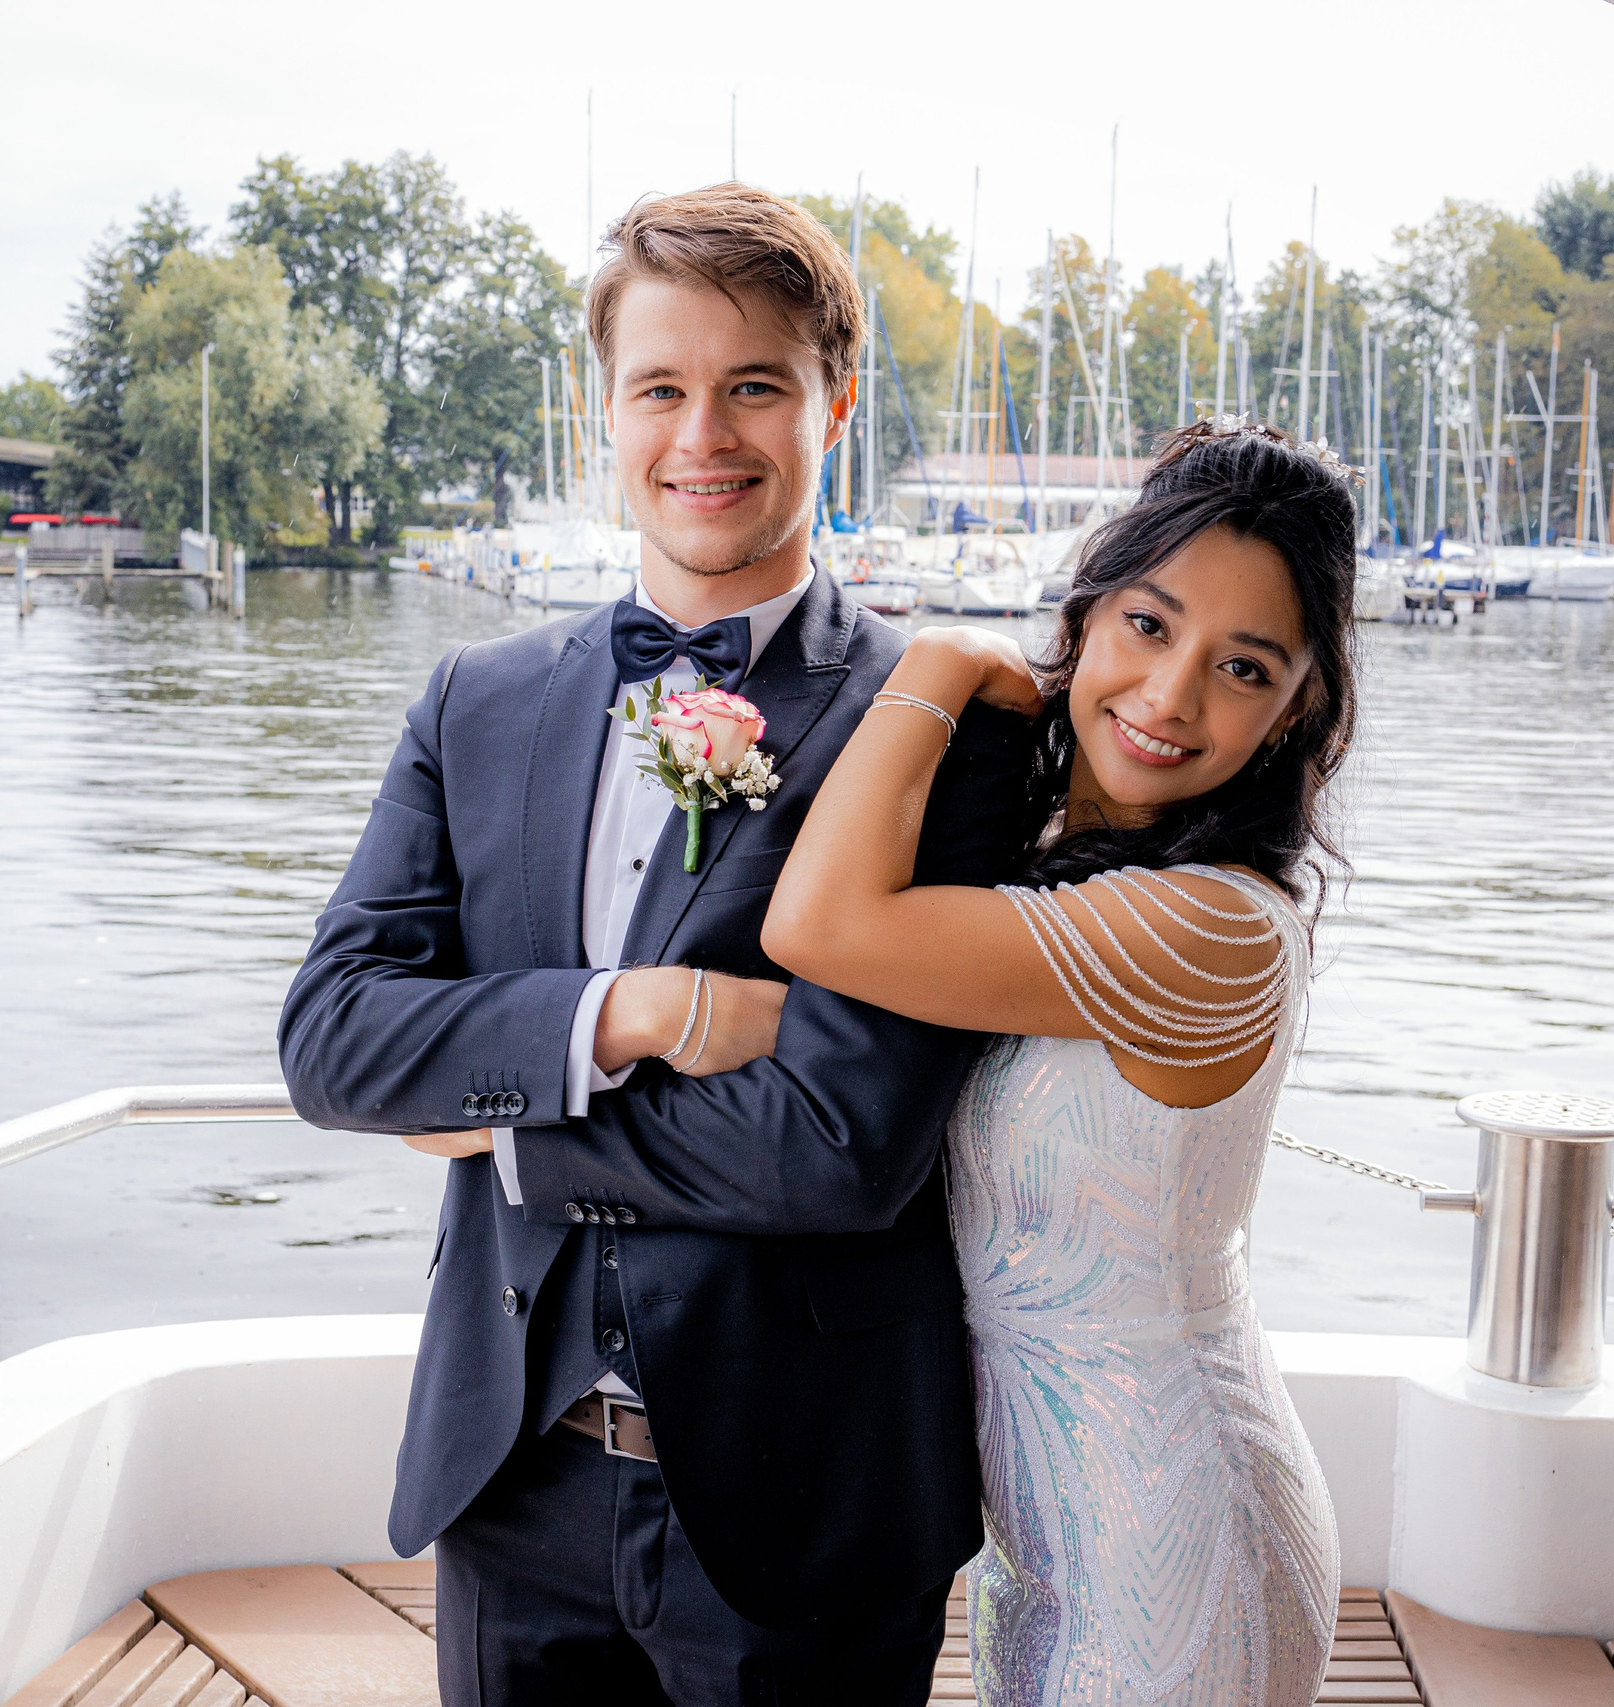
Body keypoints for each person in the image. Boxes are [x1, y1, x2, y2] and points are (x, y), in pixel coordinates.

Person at [276, 184, 1035, 1706]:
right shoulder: (472, 705)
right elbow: (335, 1038)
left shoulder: (947, 732)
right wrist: (633, 1011)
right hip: (511, 1477)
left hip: (802, 1495)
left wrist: (501, 1132)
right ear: (600, 409)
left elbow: (834, 1143)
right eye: (663, 389)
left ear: (837, 401)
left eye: (756, 385)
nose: (706, 436)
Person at [764, 418, 1358, 1707]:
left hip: (1168, 1528)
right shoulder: (1069, 876)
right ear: (1089, 614)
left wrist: (935, 662)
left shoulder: (1204, 925)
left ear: (1297, 706)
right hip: (1047, 1523)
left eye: (1242, 667)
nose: (1170, 697)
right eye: (1149, 626)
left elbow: (819, 926)